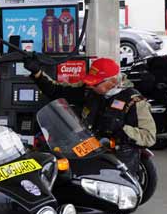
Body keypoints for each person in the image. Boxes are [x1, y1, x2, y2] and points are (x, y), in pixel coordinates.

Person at [24, 55, 157, 167]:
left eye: (95, 83)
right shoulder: (89, 91)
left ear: (112, 81)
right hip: (88, 154)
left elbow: (149, 137)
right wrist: (37, 73)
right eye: (90, 82)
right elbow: (56, 90)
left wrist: (121, 128)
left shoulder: (135, 102)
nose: (90, 85)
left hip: (118, 162)